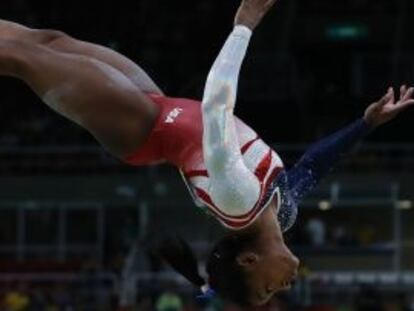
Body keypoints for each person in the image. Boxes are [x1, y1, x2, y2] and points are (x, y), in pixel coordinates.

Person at [0, 0, 413, 307]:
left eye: (268, 288)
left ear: (250, 261)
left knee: (26, 58)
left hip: (140, 128)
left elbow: (217, 106)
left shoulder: (239, 200)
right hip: (158, 106)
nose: (283, 288)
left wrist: (243, 26)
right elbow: (313, 165)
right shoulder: (282, 210)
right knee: (50, 41)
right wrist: (367, 124)